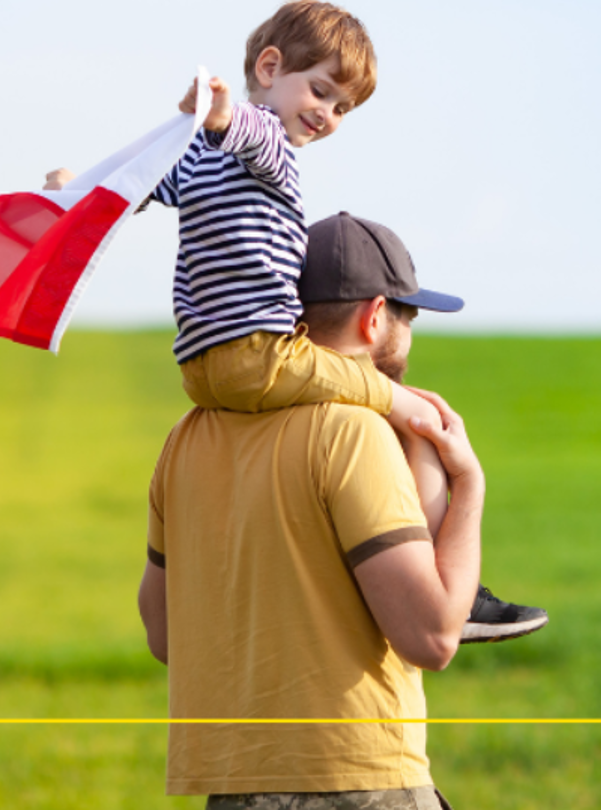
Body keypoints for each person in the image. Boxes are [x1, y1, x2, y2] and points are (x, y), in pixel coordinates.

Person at [52, 1, 542, 640]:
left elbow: (147, 184)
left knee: (392, 403)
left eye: (342, 108)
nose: (328, 116)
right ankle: (460, 590)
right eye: (321, 91)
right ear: (269, 66)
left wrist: (79, 196)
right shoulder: (269, 145)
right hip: (260, 351)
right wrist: (225, 117)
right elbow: (251, 139)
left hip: (202, 370)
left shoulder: (183, 445)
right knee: (412, 410)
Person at [142, 212, 534, 809]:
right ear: (375, 317)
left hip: (231, 788)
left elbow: (162, 632)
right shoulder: (352, 432)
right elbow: (432, 636)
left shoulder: (185, 438)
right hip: (358, 781)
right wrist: (469, 484)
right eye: (408, 316)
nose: (407, 332)